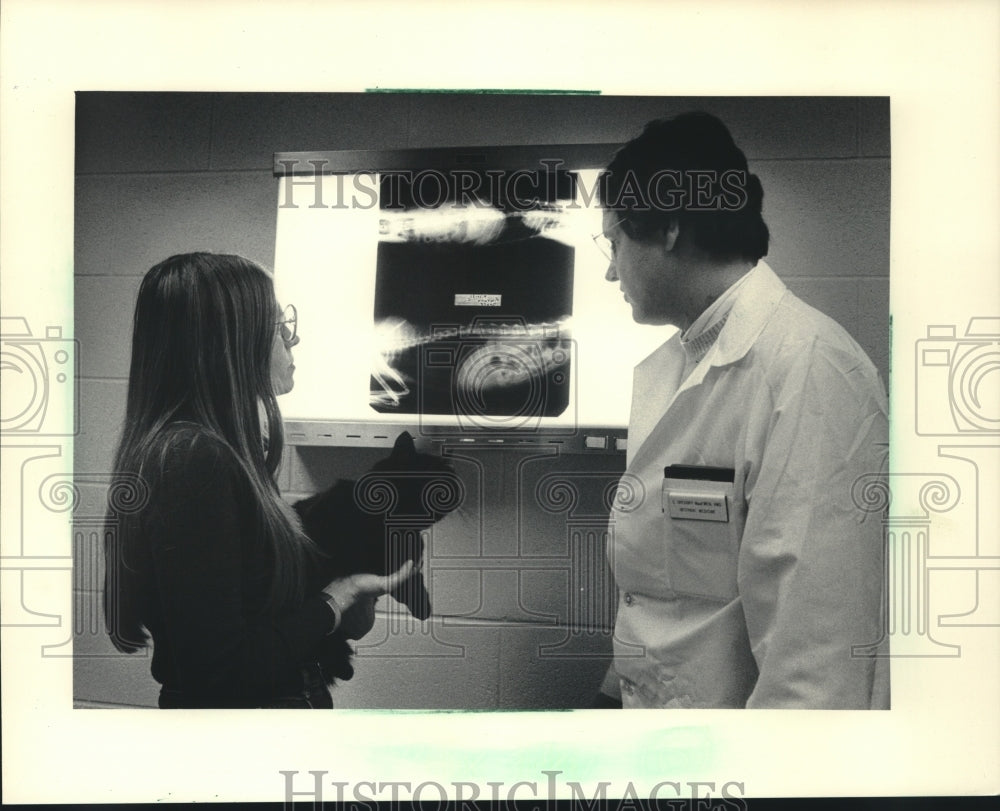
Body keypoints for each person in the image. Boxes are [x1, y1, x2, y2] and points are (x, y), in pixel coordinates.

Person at [595, 112, 889, 709]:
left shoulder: (810, 370)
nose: (609, 269)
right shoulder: (676, 365)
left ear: (670, 228)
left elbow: (814, 670)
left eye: (615, 241)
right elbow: (666, 596)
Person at [103, 252, 414, 708]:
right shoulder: (194, 459)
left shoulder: (216, 453)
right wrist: (334, 599)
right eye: (277, 324)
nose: (293, 340)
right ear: (230, 341)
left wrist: (343, 590)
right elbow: (223, 673)